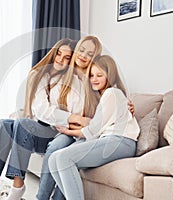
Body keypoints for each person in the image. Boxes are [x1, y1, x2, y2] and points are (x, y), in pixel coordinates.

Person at [0, 38, 84, 200]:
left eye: (66, 57)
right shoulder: (41, 76)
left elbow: (61, 113)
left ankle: (18, 186)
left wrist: (68, 118)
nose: (60, 59)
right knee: (3, 125)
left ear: (71, 61)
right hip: (39, 128)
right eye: (58, 54)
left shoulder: (73, 82)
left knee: (22, 124)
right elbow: (40, 111)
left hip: (56, 135)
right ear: (53, 53)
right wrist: (66, 116)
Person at [48, 55, 140, 200]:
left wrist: (67, 131)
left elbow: (93, 129)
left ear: (110, 75)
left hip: (120, 142)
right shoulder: (106, 96)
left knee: (64, 158)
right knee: (53, 159)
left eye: (99, 75)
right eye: (91, 75)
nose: (94, 79)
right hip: (110, 140)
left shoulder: (112, 93)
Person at [36, 35, 102, 200]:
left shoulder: (95, 77)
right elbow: (51, 111)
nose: (83, 55)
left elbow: (108, 98)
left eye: (90, 53)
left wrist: (125, 104)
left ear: (94, 57)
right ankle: (41, 197)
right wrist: (73, 121)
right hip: (66, 130)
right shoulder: (61, 77)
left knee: (68, 157)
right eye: (81, 50)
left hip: (86, 132)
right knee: (54, 149)